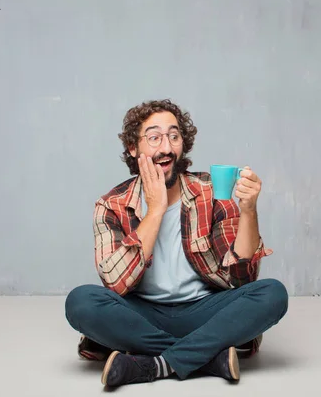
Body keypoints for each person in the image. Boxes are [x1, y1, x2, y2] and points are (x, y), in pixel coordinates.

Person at [64, 99, 288, 388]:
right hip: (141, 313)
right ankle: (207, 356)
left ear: (183, 144)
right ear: (134, 148)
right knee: (81, 302)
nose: (166, 147)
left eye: (174, 136)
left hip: (205, 310)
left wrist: (248, 210)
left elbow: (241, 279)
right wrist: (155, 209)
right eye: (154, 137)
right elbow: (116, 282)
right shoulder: (112, 205)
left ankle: (155, 364)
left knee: (272, 294)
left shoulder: (211, 192)